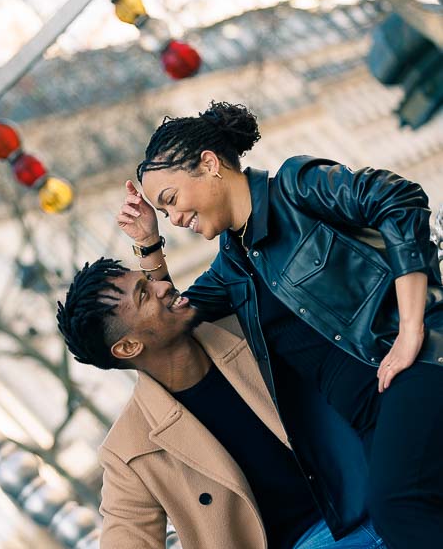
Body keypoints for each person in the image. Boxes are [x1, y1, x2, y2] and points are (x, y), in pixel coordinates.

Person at [118, 101, 443, 549]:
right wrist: (149, 243)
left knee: (398, 509)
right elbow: (171, 316)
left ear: (209, 165)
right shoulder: (233, 267)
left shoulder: (295, 187)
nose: (173, 218)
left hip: (419, 364)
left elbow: (397, 199)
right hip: (372, 415)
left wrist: (411, 330)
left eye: (171, 201)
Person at [56, 258, 385, 549]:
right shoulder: (129, 450)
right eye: (144, 294)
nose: (162, 287)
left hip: (382, 490)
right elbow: (126, 536)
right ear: (128, 347)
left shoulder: (248, 326)